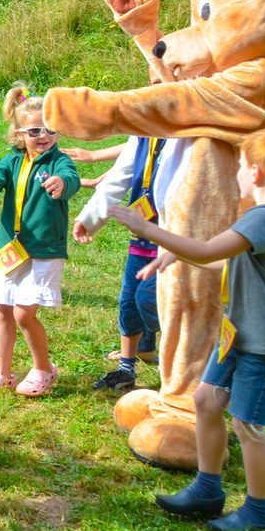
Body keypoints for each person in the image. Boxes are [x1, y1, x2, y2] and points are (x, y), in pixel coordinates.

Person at [111, 128, 265, 531]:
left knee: (249, 426)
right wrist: (173, 257)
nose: (235, 172)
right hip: (240, 333)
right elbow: (229, 263)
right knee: (205, 400)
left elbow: (206, 250)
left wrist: (144, 227)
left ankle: (258, 511)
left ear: (255, 173)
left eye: (239, 166)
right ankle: (207, 487)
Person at [0, 85, 81, 397]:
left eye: (49, 129)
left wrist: (63, 183)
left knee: (23, 313)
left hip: (45, 251)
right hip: (12, 250)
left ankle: (43, 368)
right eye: (34, 131)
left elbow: (71, 178)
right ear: (19, 134)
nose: (43, 136)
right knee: (3, 310)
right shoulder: (11, 162)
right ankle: (2, 374)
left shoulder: (59, 162)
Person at [75, 136, 180, 391]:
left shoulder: (187, 134)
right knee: (129, 301)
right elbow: (120, 176)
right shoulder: (143, 134)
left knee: (150, 300)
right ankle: (127, 368)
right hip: (141, 238)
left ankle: (180, 368)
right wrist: (89, 218)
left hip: (173, 238)